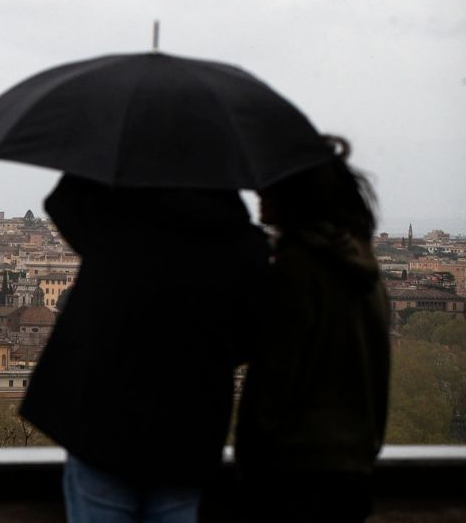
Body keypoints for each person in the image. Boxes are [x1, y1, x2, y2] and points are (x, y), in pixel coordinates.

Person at [20, 175, 270, 523]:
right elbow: (250, 340)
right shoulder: (242, 242)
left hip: (101, 422)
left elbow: (62, 203)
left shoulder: (116, 221)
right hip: (188, 430)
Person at [234, 137, 390, 522]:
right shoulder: (365, 271)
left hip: (295, 472)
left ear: (294, 194)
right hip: (352, 467)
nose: (258, 190)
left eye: (270, 182)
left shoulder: (297, 271)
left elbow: (272, 381)